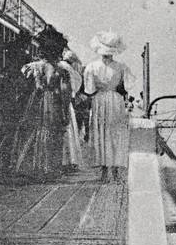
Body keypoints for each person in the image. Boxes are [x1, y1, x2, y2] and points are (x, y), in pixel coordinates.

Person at [10, 26, 75, 180]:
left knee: (32, 132)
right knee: (53, 133)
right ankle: (50, 169)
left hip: (35, 101)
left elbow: (22, 87)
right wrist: (65, 112)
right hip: (54, 103)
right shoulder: (61, 71)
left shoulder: (32, 67)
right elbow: (65, 93)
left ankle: (30, 168)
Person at [83, 31, 134, 183]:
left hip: (99, 101)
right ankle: (116, 171)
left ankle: (104, 172)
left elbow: (89, 89)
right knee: (116, 134)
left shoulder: (91, 67)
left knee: (102, 133)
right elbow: (127, 86)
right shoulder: (121, 67)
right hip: (115, 100)